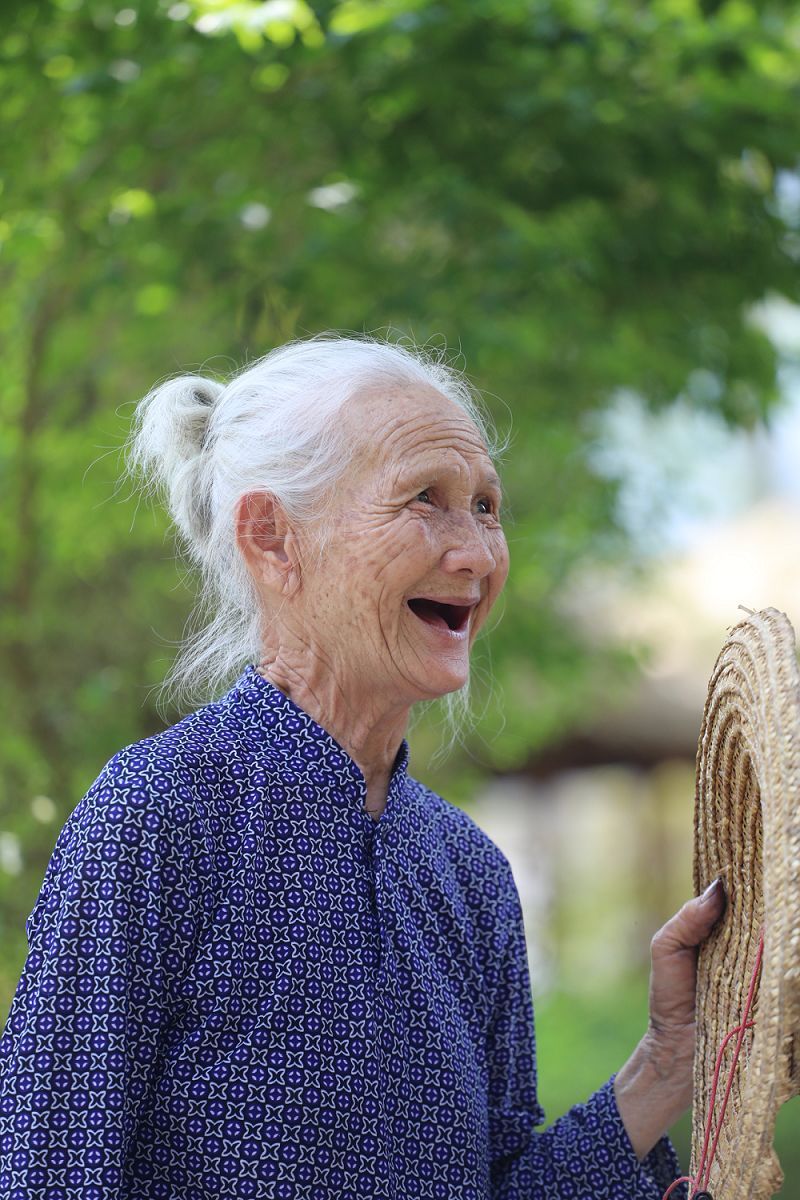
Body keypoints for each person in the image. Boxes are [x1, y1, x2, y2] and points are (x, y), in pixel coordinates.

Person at [0, 333, 723, 1199]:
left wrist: (669, 1061)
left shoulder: (469, 873)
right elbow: (46, 1170)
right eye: (426, 499)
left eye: (486, 508)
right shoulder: (157, 815)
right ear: (273, 539)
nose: (477, 555)